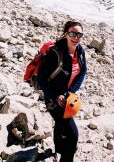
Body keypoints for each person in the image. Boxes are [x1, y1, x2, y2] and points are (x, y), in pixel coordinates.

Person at [37, 20, 87, 162]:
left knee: (60, 124)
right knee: (73, 134)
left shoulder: (80, 51)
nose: (76, 37)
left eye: (79, 34)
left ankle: (58, 151)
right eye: (72, 33)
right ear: (66, 34)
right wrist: (53, 97)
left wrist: (71, 91)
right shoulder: (56, 53)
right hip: (53, 98)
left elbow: (83, 71)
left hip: (67, 96)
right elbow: (41, 78)